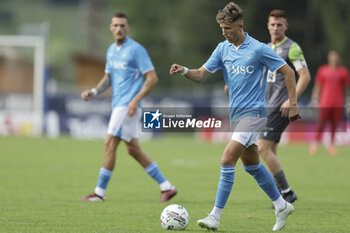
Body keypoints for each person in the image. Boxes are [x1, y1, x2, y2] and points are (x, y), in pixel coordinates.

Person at [169, 2, 300, 231]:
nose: (224, 33)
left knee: (227, 159)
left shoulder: (258, 49)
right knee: (251, 165)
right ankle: (281, 205)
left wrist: (294, 102)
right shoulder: (222, 49)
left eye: (228, 28)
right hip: (237, 116)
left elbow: (288, 71)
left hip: (256, 113)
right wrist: (184, 71)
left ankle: (214, 217)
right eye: (222, 28)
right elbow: (201, 75)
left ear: (240, 25)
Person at [78, 12, 177, 202]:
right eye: (115, 25)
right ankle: (167, 187)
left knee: (109, 144)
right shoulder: (111, 50)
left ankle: (99, 193)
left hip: (126, 107)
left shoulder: (136, 50)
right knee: (133, 150)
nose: (119, 29)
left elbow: (152, 78)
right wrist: (94, 91)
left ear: (128, 28)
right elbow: (108, 78)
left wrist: (134, 100)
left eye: (123, 25)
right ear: (110, 27)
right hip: (120, 105)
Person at [258, 9, 311, 205]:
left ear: (285, 27)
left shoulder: (292, 47)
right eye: (273, 24)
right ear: (268, 26)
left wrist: (292, 99)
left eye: (280, 24)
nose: (276, 28)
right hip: (267, 105)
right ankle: (280, 197)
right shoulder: (265, 47)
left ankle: (287, 192)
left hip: (280, 106)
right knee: (270, 150)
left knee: (262, 149)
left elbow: (305, 76)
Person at [309, 50, 349, 155]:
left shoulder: (343, 71)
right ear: (329, 58)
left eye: (336, 57)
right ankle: (315, 143)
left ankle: (331, 145)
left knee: (334, 124)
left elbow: (346, 88)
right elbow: (318, 85)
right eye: (332, 57)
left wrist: (348, 101)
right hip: (325, 102)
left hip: (337, 102)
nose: (334, 59)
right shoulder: (323, 70)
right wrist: (315, 99)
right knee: (321, 123)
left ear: (338, 58)